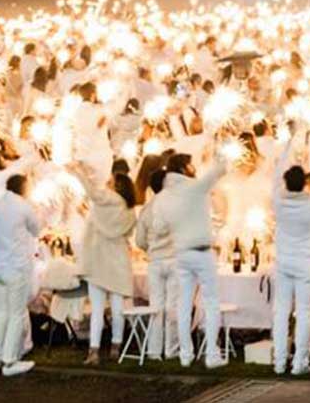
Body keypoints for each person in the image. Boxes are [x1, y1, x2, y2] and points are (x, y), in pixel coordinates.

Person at [152, 151, 228, 368]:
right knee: (211, 303)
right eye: (191, 164)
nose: (194, 168)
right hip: (202, 252)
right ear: (185, 168)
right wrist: (219, 146)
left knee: (183, 305)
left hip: (181, 254)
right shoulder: (195, 187)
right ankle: (212, 355)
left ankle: (186, 354)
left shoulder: (163, 197)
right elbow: (220, 169)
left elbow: (158, 228)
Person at [270, 136, 310, 375]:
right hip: (305, 263)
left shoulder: (278, 200)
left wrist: (287, 148)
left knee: (281, 312)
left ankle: (278, 361)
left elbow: (276, 173)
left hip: (284, 262)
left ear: (286, 183)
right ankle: (299, 362)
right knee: (304, 312)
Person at [71, 162, 138, 365]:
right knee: (117, 307)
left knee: (97, 308)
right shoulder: (129, 212)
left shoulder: (107, 199)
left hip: (98, 260)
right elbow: (126, 235)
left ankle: (94, 350)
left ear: (117, 186)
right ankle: (116, 347)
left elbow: (92, 192)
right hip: (118, 260)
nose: (106, 184)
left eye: (110, 181)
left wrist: (77, 171)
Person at [0, 173, 40, 377]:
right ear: (24, 188)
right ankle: (10, 361)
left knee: (2, 312)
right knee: (15, 314)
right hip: (16, 267)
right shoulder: (24, 207)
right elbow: (37, 229)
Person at [135, 168, 177, 360]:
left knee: (156, 306)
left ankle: (153, 350)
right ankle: (172, 349)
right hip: (175, 259)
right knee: (173, 306)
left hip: (155, 261)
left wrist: (150, 248)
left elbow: (140, 240)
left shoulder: (147, 209)